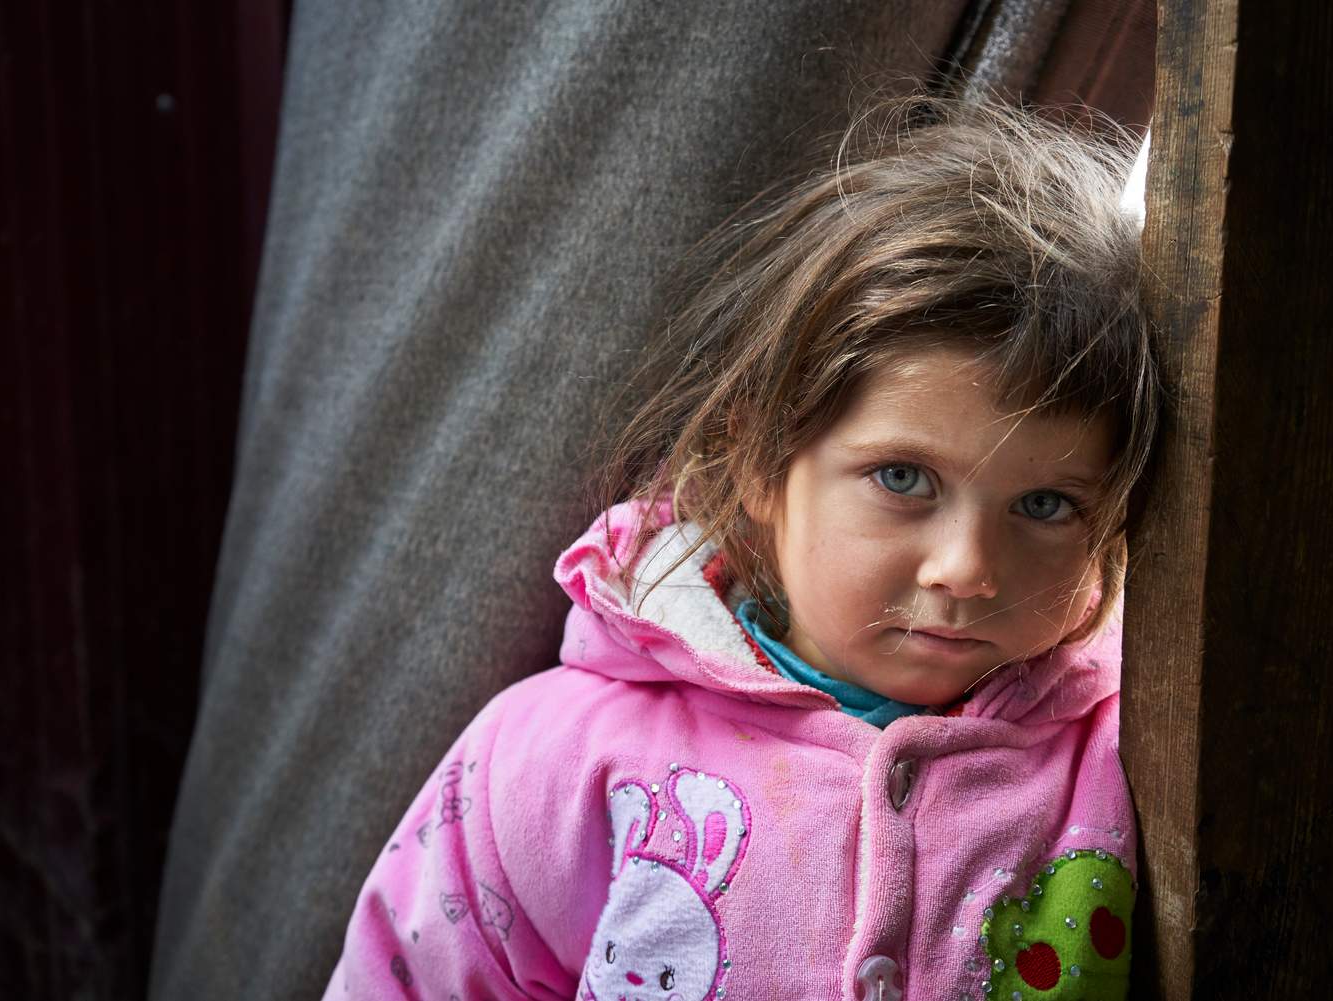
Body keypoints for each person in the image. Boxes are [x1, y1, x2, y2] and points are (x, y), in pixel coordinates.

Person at [321, 97, 1161, 1001]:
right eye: (903, 478)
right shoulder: (553, 762)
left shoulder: (1133, 752)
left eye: (1044, 503)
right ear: (762, 457)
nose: (965, 567)